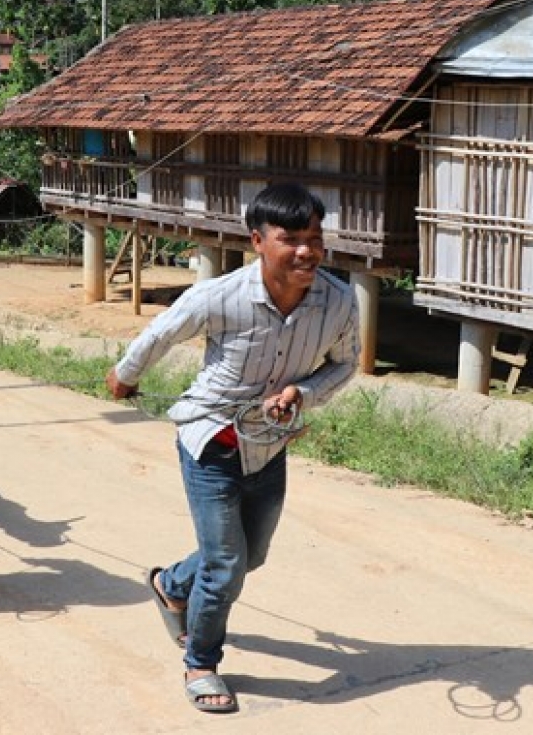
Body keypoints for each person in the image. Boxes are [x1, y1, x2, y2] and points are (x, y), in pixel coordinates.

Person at [105, 183, 359, 713]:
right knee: (226, 564)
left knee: (251, 556)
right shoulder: (219, 295)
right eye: (290, 238)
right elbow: (160, 334)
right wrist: (125, 376)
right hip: (210, 442)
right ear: (258, 241)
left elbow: (345, 363)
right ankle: (201, 663)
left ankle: (170, 584)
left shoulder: (337, 300)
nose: (306, 250)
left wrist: (302, 392)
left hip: (269, 444)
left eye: (314, 237)